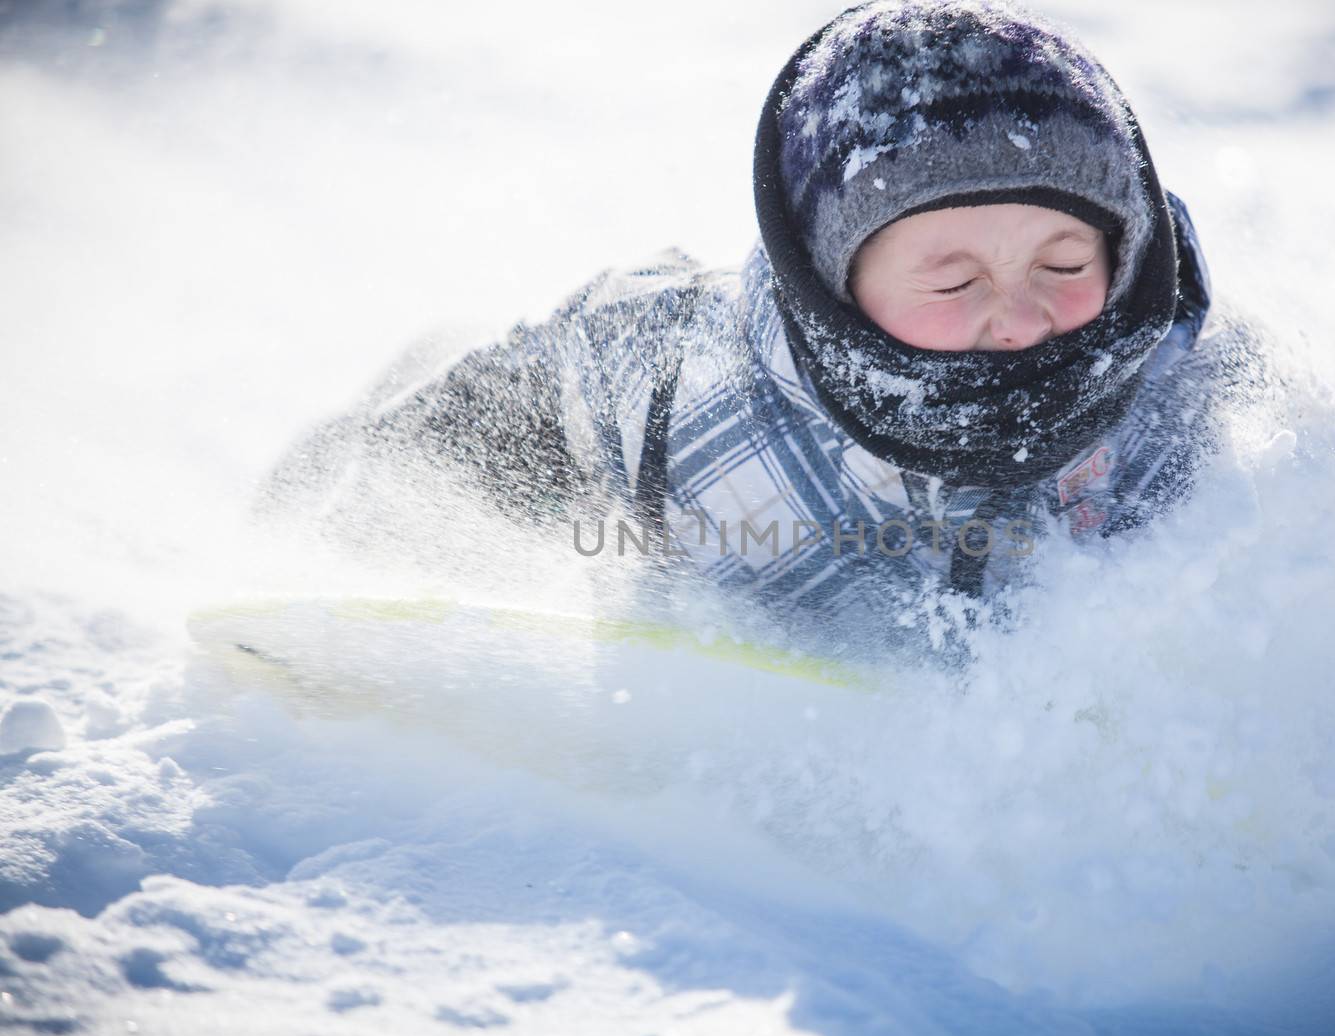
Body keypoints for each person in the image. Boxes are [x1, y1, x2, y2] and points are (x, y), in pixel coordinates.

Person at [260, 0, 1238, 653]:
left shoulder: (1183, 392)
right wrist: (332, 537)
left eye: (1063, 267)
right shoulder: (671, 377)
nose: (1017, 316)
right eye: (952, 278)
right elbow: (440, 452)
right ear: (832, 279)